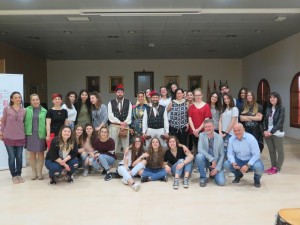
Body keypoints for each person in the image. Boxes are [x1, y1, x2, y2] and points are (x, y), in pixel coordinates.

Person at [223, 123, 264, 188]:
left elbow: (256, 154)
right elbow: (230, 153)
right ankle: (238, 175)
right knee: (226, 164)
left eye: (239, 130)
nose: (237, 132)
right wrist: (233, 162)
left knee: (259, 167)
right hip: (238, 159)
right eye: (235, 131)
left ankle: (256, 178)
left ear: (243, 130)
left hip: (250, 159)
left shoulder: (251, 138)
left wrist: (248, 165)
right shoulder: (231, 139)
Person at [0, 91, 26, 184]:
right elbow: (3, 121)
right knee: (11, 157)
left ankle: (19, 174)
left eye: (19, 97)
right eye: (15, 97)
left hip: (20, 137)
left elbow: (24, 123)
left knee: (19, 157)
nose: (18, 99)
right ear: (11, 99)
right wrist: (1, 132)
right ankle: (14, 176)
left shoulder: (24, 110)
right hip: (8, 136)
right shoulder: (7, 108)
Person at [195, 119, 225, 187]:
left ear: (213, 127)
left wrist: (217, 168)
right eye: (205, 127)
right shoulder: (201, 135)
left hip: (216, 163)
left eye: (209, 126)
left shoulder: (219, 137)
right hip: (206, 160)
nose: (207, 128)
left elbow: (222, 155)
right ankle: (203, 177)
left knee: (221, 182)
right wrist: (212, 159)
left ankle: (213, 172)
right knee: (199, 156)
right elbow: (200, 149)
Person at [24, 94, 47, 180]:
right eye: (33, 100)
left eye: (37, 99)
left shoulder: (44, 111)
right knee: (32, 154)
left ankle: (40, 173)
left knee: (41, 153)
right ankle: (34, 173)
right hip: (30, 134)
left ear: (39, 100)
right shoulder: (26, 110)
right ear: (30, 101)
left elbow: (47, 123)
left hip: (41, 134)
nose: (35, 101)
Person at [263, 92, 285, 175]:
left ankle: (278, 168)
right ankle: (273, 167)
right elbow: (265, 121)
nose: (272, 99)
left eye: (274, 97)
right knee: (271, 151)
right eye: (271, 97)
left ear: (278, 99)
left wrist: (271, 132)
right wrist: (265, 130)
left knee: (280, 151)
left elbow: (280, 122)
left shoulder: (281, 109)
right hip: (267, 133)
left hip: (277, 133)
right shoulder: (268, 108)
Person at [108, 84, 132, 154]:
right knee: (113, 143)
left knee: (125, 144)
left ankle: (126, 160)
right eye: (118, 92)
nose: (120, 94)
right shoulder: (110, 102)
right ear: (116, 93)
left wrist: (125, 123)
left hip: (125, 126)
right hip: (114, 126)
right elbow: (110, 115)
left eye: (121, 92)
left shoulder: (128, 102)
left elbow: (130, 114)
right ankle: (112, 159)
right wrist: (119, 122)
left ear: (123, 93)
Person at [188, 88, 212, 153]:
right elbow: (189, 118)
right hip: (193, 131)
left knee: (203, 148)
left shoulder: (206, 106)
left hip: (203, 130)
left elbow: (206, 119)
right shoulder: (191, 106)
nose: (197, 97)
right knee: (196, 147)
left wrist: (198, 130)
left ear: (202, 95)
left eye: (199, 95)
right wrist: (194, 130)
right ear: (194, 96)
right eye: (196, 95)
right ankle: (197, 161)